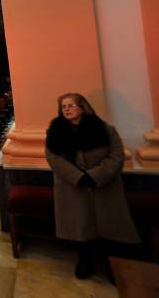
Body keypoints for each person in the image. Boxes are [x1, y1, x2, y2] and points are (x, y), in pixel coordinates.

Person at [45, 93, 140, 280]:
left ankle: (111, 263)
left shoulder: (105, 129)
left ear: (83, 107)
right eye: (63, 106)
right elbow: (54, 158)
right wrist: (78, 177)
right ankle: (84, 259)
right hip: (74, 186)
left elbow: (116, 156)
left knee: (109, 225)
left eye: (71, 105)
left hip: (104, 186)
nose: (67, 109)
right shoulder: (55, 132)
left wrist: (95, 175)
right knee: (81, 224)